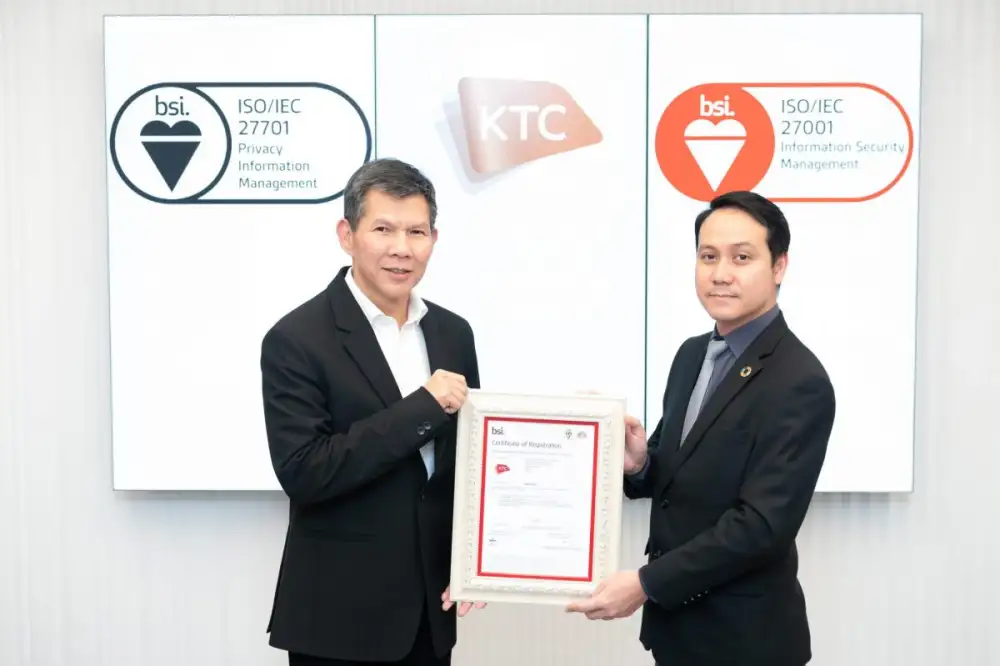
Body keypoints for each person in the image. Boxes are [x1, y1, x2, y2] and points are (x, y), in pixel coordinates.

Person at [567, 191, 836, 666]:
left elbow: (761, 526)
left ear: (779, 266)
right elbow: (680, 475)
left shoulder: (800, 380)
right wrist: (640, 463)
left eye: (742, 257)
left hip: (745, 643)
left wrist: (645, 583)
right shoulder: (692, 354)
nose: (720, 273)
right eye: (708, 256)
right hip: (678, 634)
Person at [260, 158, 485, 666]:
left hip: (430, 614)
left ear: (433, 239)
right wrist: (422, 408)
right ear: (347, 234)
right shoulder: (296, 339)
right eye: (383, 229)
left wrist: (476, 562)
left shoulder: (453, 333)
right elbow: (305, 471)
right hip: (337, 620)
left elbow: (468, 462)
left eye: (416, 232)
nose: (402, 248)